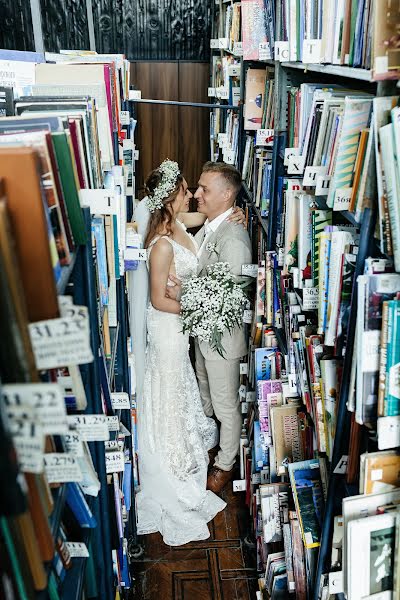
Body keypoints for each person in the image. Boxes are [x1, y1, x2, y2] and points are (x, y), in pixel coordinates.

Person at [134, 159, 233, 546]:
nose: (192, 194)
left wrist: (230, 210)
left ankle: (181, 455)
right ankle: (172, 467)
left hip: (181, 328)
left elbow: (198, 221)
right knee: (170, 391)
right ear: (172, 196)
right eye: (186, 189)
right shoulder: (160, 244)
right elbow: (159, 300)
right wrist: (198, 308)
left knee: (179, 392)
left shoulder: (177, 224)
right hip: (168, 331)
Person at [168, 161, 252, 494]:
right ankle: (214, 446)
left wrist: (182, 292)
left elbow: (227, 293)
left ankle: (225, 465)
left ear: (228, 194)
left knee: (226, 404)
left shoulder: (234, 237)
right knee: (208, 398)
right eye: (197, 187)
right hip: (204, 335)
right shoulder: (213, 225)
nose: (197, 194)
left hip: (223, 340)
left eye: (205, 189)